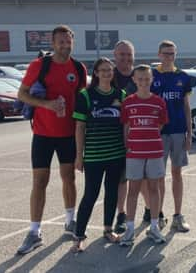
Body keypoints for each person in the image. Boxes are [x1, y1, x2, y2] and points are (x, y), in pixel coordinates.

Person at [16, 25, 87, 255]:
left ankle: (70, 221)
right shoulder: (39, 65)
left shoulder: (78, 67)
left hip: (68, 134)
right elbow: (22, 94)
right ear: (52, 43)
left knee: (69, 178)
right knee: (40, 181)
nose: (65, 45)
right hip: (43, 133)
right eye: (61, 42)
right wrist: (47, 104)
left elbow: (82, 101)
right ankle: (34, 232)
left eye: (68, 41)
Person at [71, 58, 126, 252]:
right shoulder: (86, 95)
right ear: (95, 73)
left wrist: (128, 151)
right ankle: (79, 236)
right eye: (102, 70)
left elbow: (125, 126)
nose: (106, 73)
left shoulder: (121, 94)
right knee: (91, 195)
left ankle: (108, 230)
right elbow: (79, 127)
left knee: (112, 193)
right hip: (94, 156)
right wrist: (79, 156)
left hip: (117, 154)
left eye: (109, 70)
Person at [119, 65, 169, 246]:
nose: (143, 82)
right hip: (134, 152)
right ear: (134, 80)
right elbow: (125, 126)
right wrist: (128, 145)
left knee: (154, 189)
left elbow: (161, 125)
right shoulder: (128, 102)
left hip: (154, 151)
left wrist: (149, 137)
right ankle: (130, 229)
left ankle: (154, 227)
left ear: (152, 79)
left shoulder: (159, 102)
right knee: (133, 190)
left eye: (147, 79)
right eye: (140, 79)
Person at [150, 40, 195, 232]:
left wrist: (189, 133)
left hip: (177, 131)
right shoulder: (151, 76)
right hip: (158, 133)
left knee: (177, 173)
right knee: (158, 175)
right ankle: (158, 215)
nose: (169, 57)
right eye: (166, 53)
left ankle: (177, 215)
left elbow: (186, 107)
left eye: (172, 54)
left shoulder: (182, 77)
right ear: (159, 54)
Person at [111, 40, 142, 234]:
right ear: (115, 55)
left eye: (129, 55)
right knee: (122, 179)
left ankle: (151, 211)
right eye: (122, 54)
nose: (126, 58)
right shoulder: (108, 75)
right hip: (115, 135)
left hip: (139, 135)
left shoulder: (139, 76)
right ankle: (121, 215)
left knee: (144, 177)